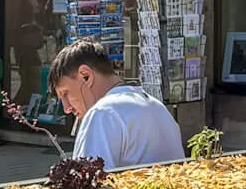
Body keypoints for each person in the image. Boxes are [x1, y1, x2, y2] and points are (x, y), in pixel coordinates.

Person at [50, 39, 185, 170]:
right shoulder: (157, 107)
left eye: (65, 93)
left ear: (86, 76)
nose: (67, 108)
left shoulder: (103, 113)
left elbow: (88, 186)